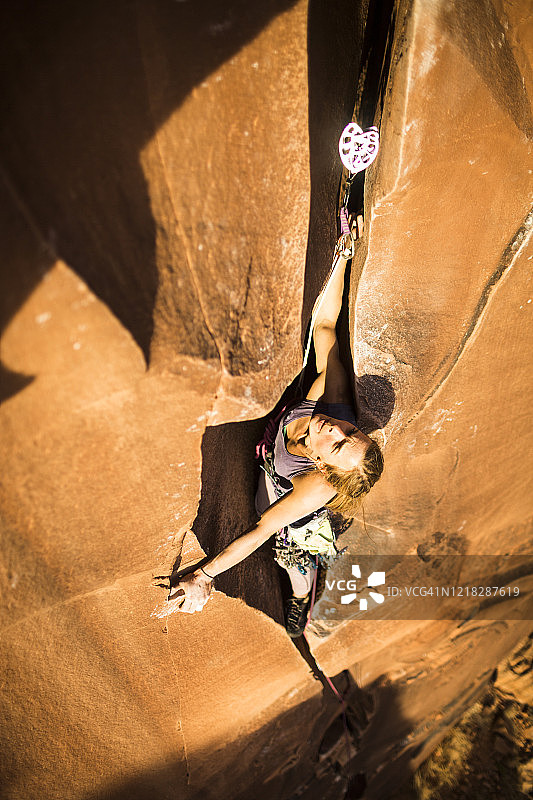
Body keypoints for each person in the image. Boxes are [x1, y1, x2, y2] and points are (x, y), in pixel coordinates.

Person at [156, 216, 384, 636]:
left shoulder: (318, 485)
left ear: (320, 463)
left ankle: (303, 598)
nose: (336, 430)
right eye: (350, 433)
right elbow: (327, 327)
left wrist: (205, 576)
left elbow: (263, 528)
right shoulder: (332, 402)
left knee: (292, 557)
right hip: (271, 471)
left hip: (287, 507)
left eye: (337, 444)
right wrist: (341, 258)